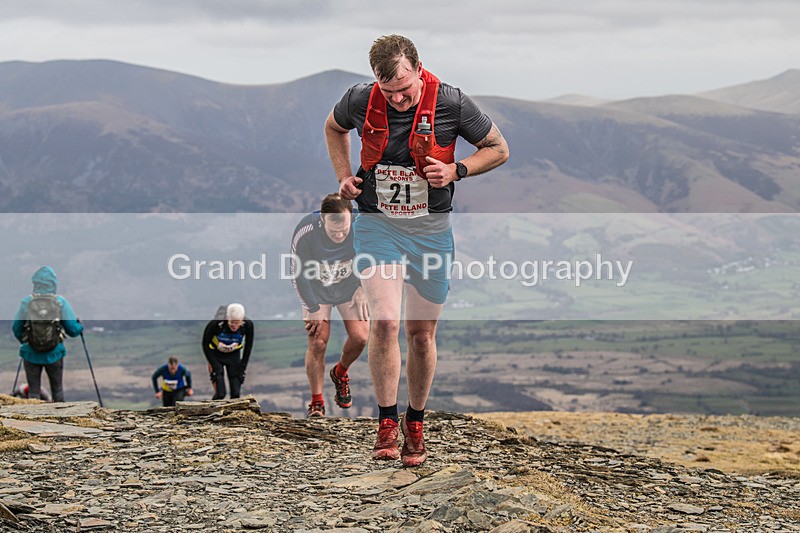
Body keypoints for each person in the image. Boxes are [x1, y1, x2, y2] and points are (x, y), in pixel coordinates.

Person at [324, 35, 509, 466]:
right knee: (386, 323)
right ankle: (386, 421)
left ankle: (416, 423)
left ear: (419, 69)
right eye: (389, 93)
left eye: (406, 88)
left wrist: (456, 169)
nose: (400, 99)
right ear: (376, 83)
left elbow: (498, 149)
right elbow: (333, 128)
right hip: (377, 223)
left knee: (421, 334)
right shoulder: (359, 100)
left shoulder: (452, 103)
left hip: (430, 230)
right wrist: (344, 176)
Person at [290, 193, 369, 417]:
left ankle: (340, 372)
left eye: (344, 229)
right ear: (323, 219)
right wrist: (312, 308)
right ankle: (317, 402)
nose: (340, 234)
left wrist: (364, 287)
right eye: (334, 231)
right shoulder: (306, 230)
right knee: (318, 341)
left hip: (349, 287)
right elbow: (297, 273)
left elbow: (373, 257)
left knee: (361, 337)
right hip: (317, 290)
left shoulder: (360, 223)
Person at [12, 266, 84, 403]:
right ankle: (61, 420)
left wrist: (26, 341)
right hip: (54, 353)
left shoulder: (27, 302)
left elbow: (16, 327)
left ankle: (34, 421)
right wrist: (79, 326)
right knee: (57, 390)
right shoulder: (60, 302)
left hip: (30, 353)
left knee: (33, 392)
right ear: (53, 283)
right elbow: (73, 330)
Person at [202, 303, 254, 400]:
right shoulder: (216, 324)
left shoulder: (247, 325)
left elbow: (248, 346)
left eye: (237, 323)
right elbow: (205, 344)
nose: (234, 326)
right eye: (232, 323)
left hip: (233, 356)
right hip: (216, 355)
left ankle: (234, 414)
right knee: (221, 393)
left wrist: (242, 368)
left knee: (235, 393)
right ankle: (212, 412)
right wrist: (215, 366)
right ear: (227, 318)